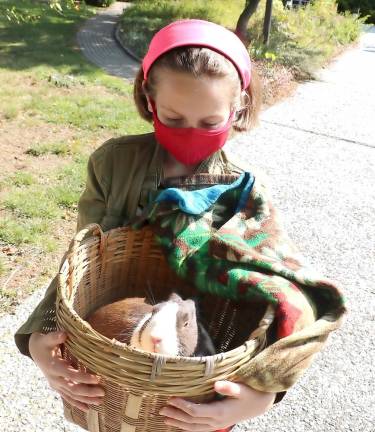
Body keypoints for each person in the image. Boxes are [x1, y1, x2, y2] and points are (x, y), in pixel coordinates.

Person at [15, 19, 283, 432]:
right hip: (116, 368)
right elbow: (83, 257)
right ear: (148, 98)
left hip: (198, 381)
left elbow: (282, 295)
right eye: (174, 118)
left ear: (239, 107)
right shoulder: (113, 164)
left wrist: (260, 395)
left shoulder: (246, 191)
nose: (191, 136)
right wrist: (39, 336)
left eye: (211, 122)